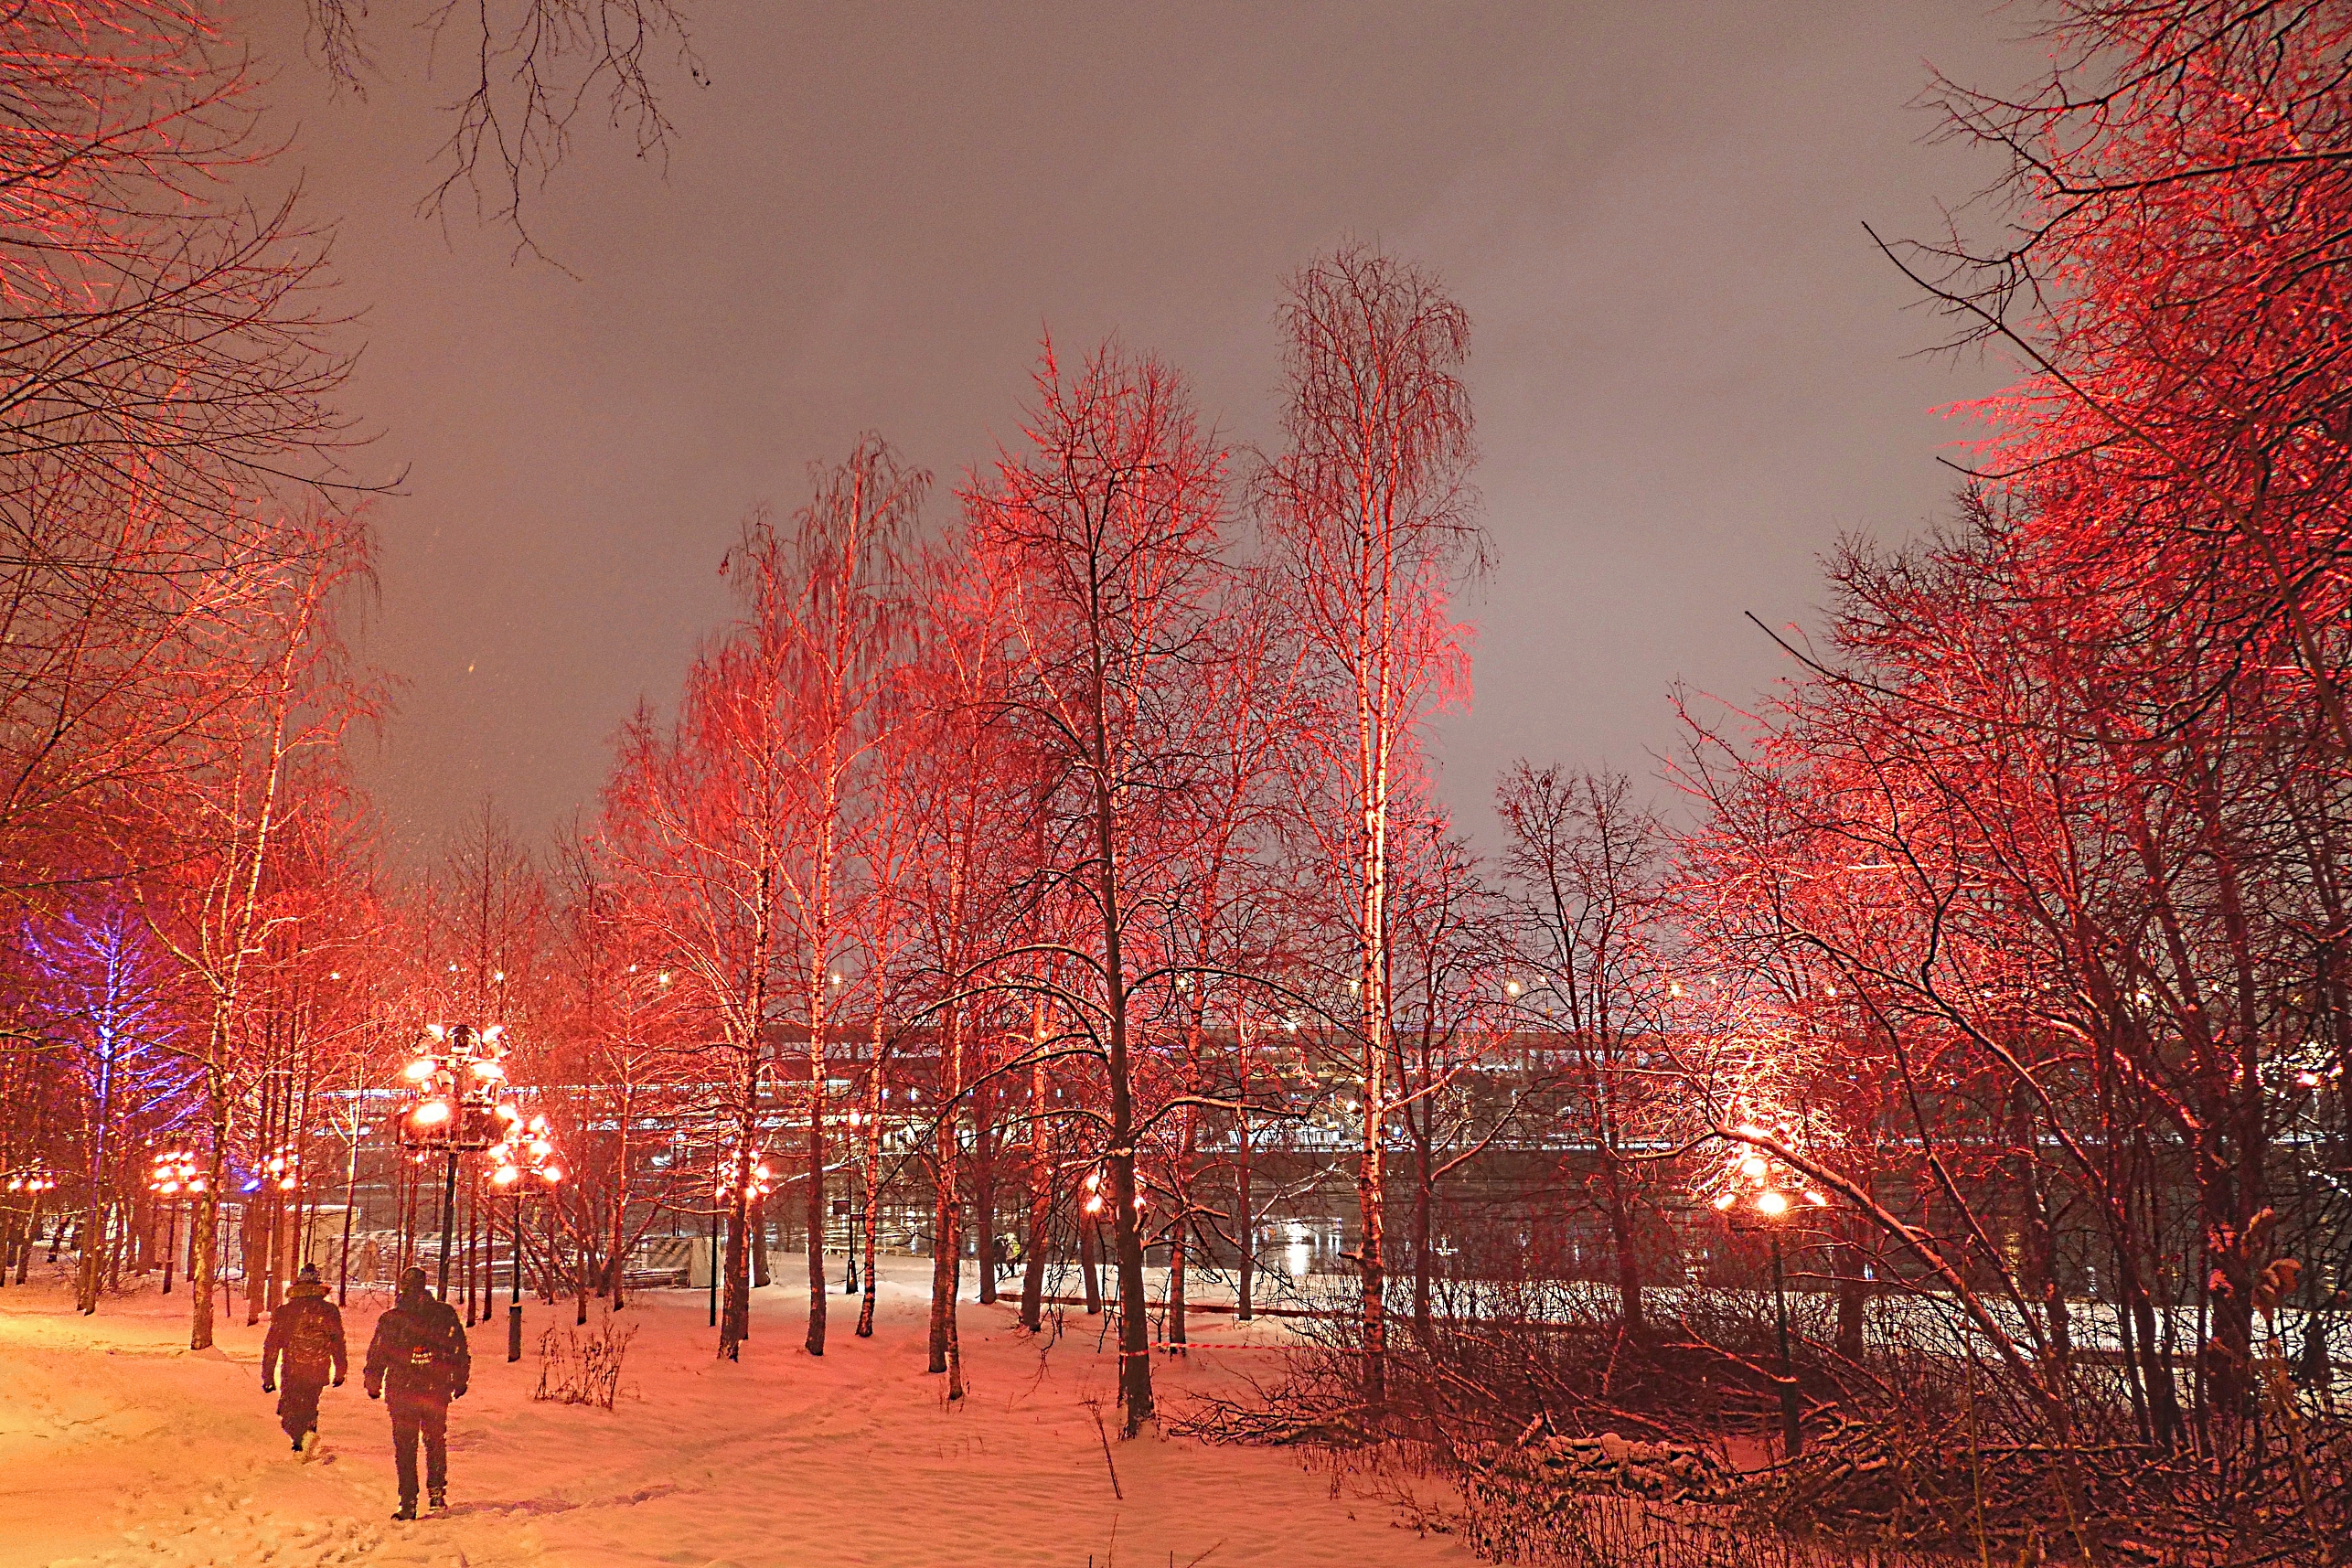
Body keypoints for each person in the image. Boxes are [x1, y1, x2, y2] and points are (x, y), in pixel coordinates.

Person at [364, 1265, 470, 1521]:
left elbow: (379, 1352)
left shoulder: (391, 1319)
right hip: (435, 1388)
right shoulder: (443, 1314)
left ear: (403, 1287)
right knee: (435, 1441)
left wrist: (373, 1380)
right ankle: (436, 1494)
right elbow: (458, 1348)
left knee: (405, 1447)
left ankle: (409, 1502)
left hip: (402, 1391)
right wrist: (459, 1379)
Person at [261, 1263, 347, 1455]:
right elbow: (337, 1343)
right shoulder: (329, 1311)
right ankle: (307, 1434)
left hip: (293, 1369)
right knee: (309, 1404)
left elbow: (272, 1345)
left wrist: (268, 1376)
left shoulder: (286, 1311)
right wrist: (340, 1370)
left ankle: (299, 1440)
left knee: (289, 1407)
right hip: (318, 1368)